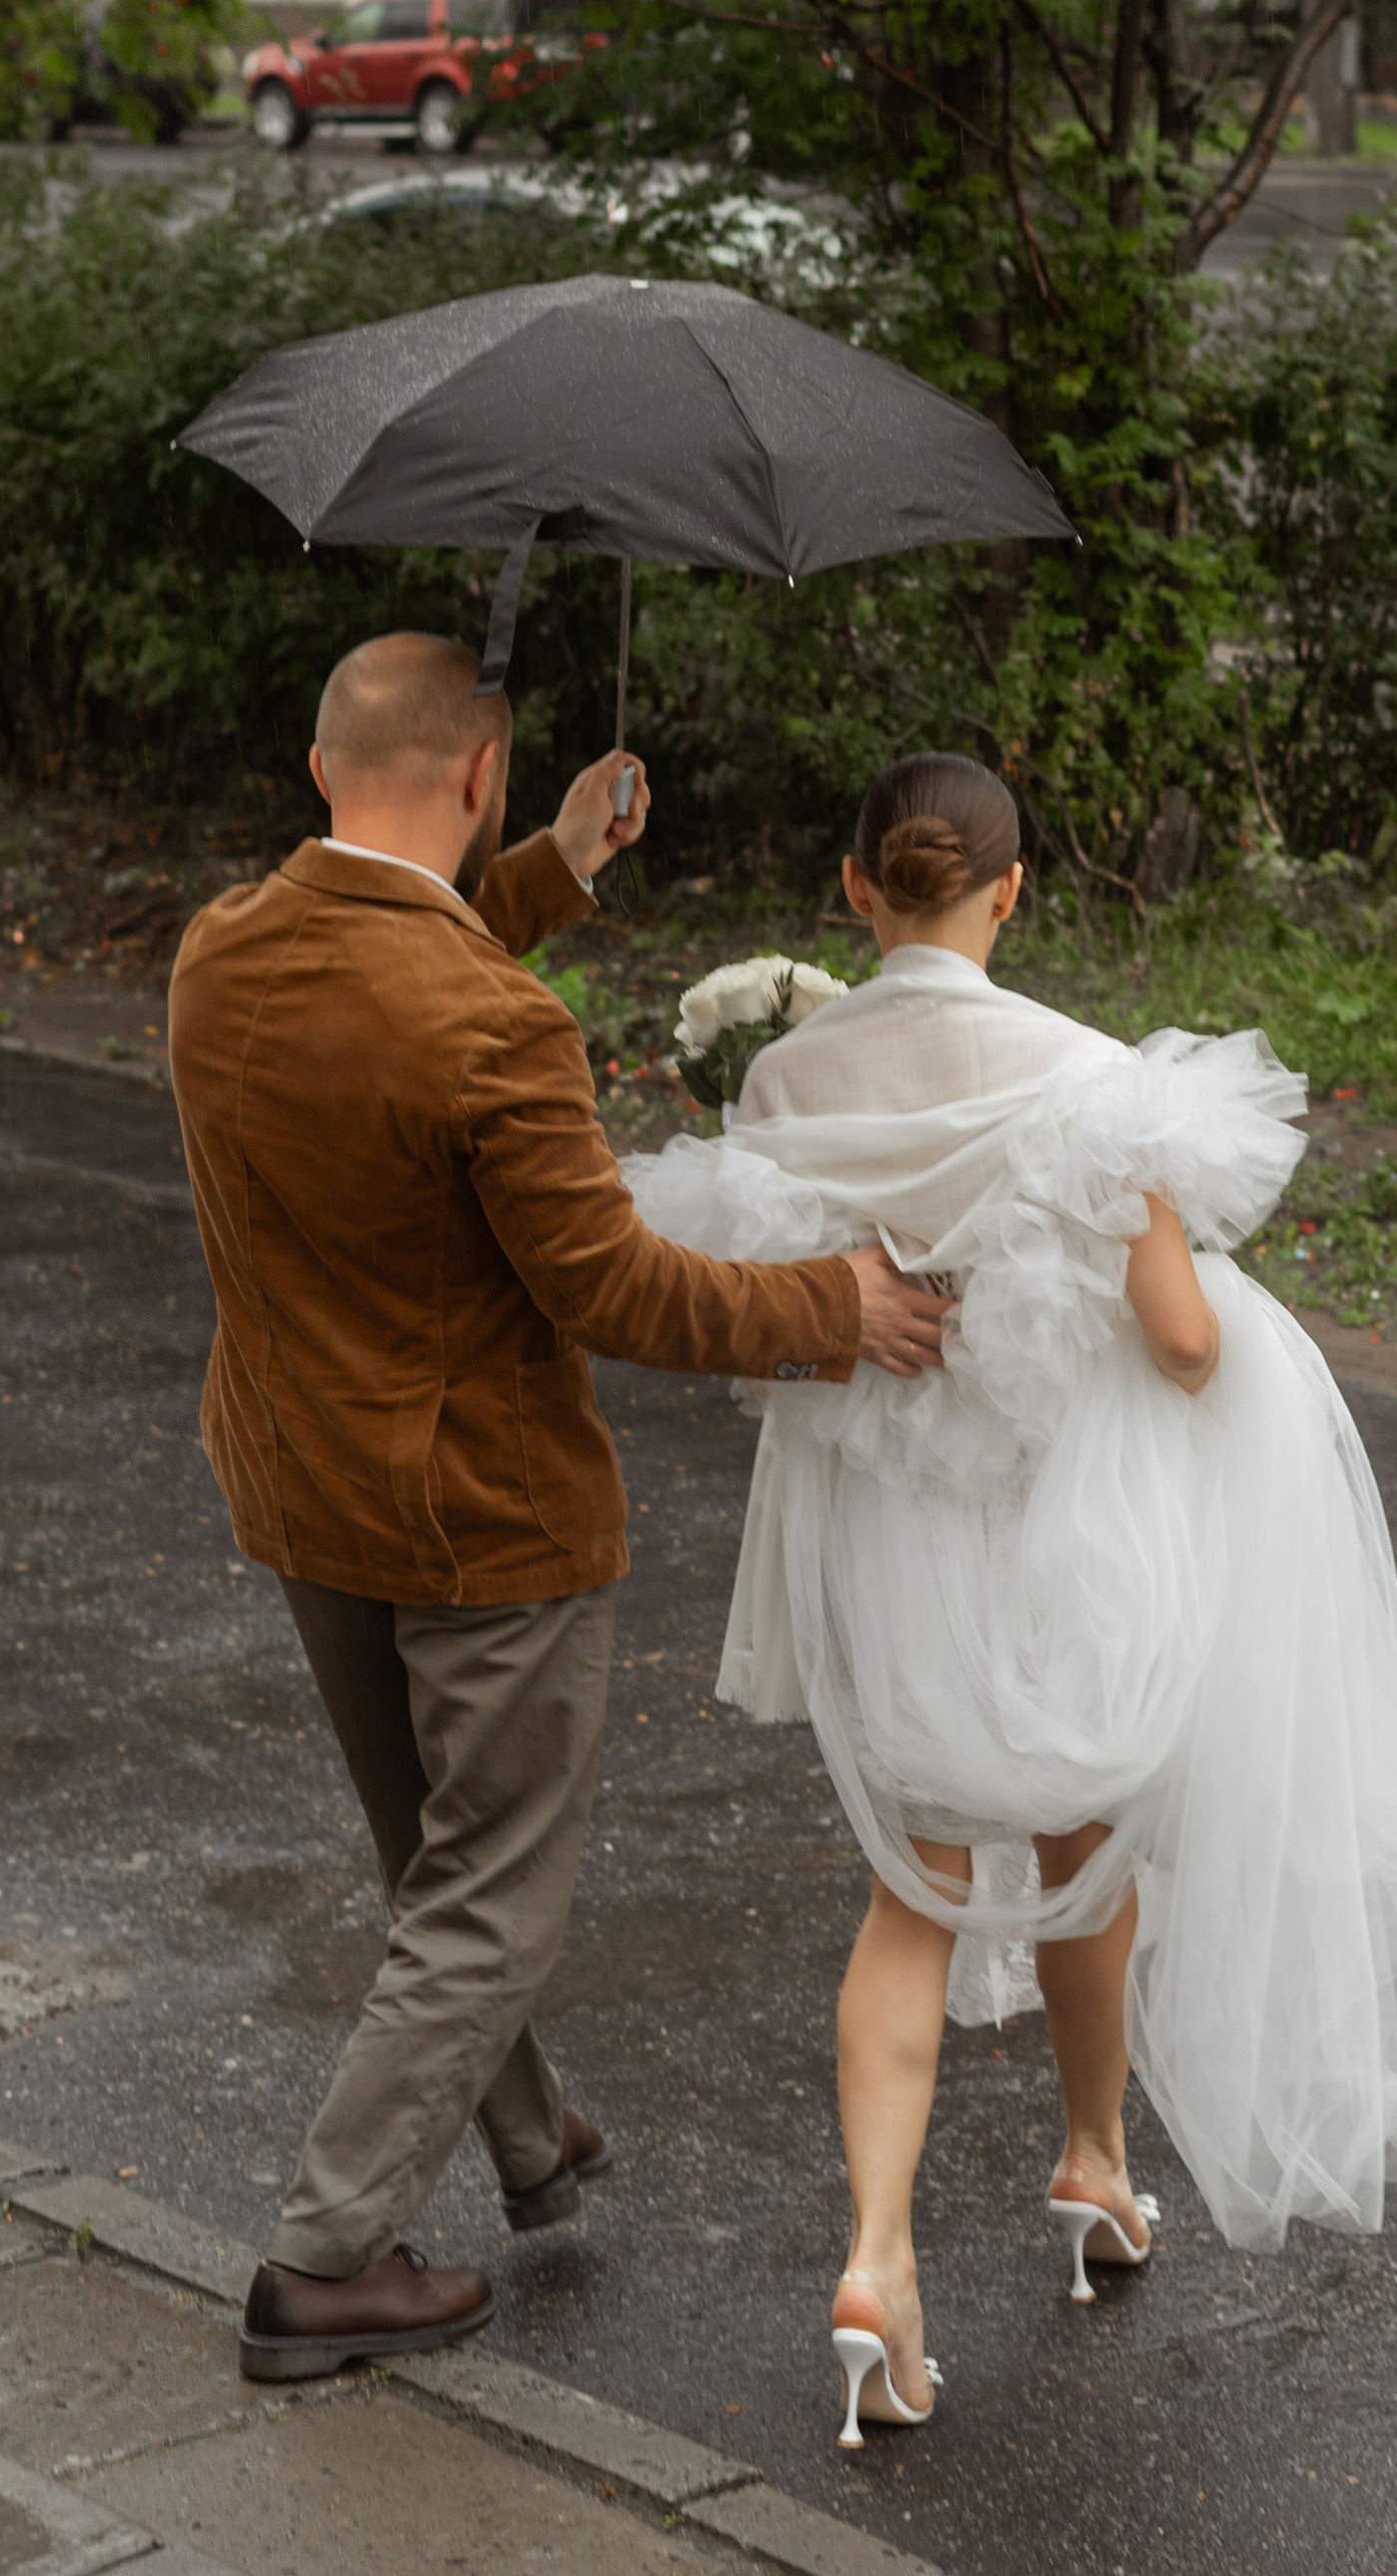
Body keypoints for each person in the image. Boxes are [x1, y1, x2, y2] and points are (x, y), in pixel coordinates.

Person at [625, 754, 1397, 2449]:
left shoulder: (785, 1079)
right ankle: (1094, 2159)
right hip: (1060, 1539)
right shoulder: (1093, 1081)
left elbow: (776, 1307)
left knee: (916, 1892)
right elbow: (1182, 1342)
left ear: (855, 889)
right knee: (1090, 1844)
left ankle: (878, 2260)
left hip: (896, 1548)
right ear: (1013, 891)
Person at [167, 632, 946, 2387]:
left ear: (322, 770)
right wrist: (835, 1306)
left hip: (302, 1488)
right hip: (479, 1527)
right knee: (488, 1897)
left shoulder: (220, 950)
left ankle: (526, 2143)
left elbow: (387, 982)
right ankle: (322, 2260)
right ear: (478, 773)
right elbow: (614, 1288)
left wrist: (552, 868)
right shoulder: (495, 1024)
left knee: (436, 1861)